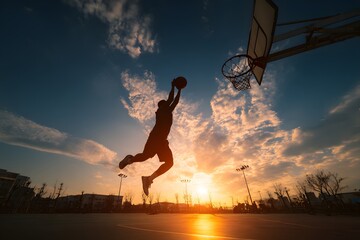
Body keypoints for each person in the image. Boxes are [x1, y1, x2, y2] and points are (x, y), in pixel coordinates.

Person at [119, 80, 182, 196]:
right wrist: (174, 88)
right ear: (162, 105)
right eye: (166, 103)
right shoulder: (163, 109)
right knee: (149, 157)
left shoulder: (167, 111)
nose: (169, 103)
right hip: (156, 138)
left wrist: (179, 90)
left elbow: (174, 101)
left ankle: (147, 177)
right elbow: (172, 99)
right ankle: (130, 160)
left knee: (164, 161)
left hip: (160, 140)